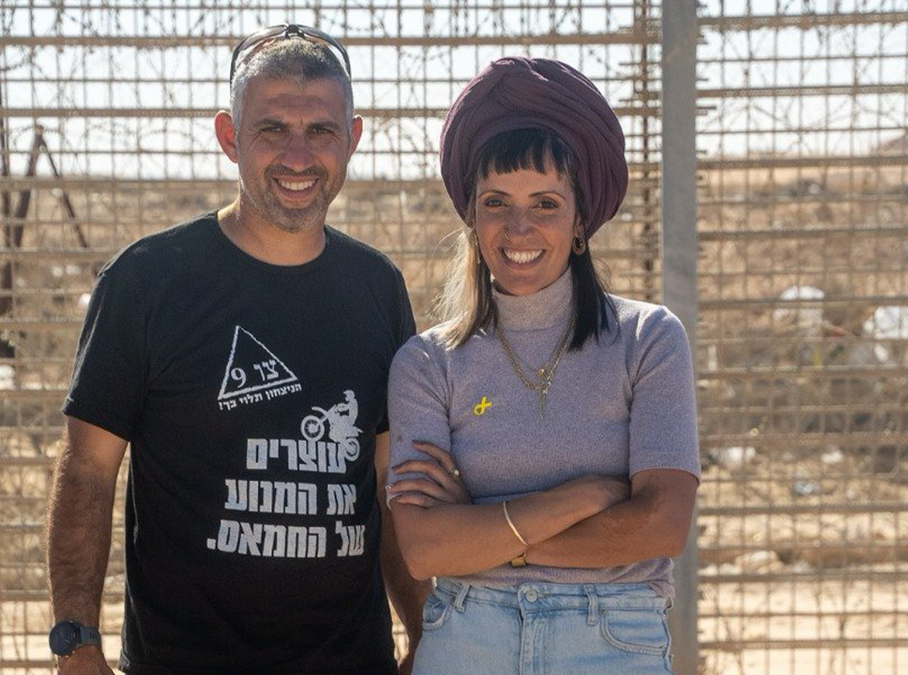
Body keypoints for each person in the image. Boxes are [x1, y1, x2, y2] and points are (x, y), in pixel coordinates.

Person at [48, 24, 429, 675]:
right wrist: (77, 642)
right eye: (272, 129)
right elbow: (86, 470)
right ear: (229, 136)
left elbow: (391, 487)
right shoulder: (147, 282)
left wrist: (425, 633)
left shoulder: (379, 287)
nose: (299, 156)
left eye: (322, 131)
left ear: (354, 138)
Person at [385, 57, 700, 674]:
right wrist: (589, 496)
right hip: (466, 639)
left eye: (546, 204)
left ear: (582, 221)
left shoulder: (648, 339)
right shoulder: (427, 363)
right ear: (472, 220)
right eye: (497, 202)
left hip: (612, 641)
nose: (519, 226)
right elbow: (423, 549)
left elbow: (662, 526)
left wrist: (485, 529)